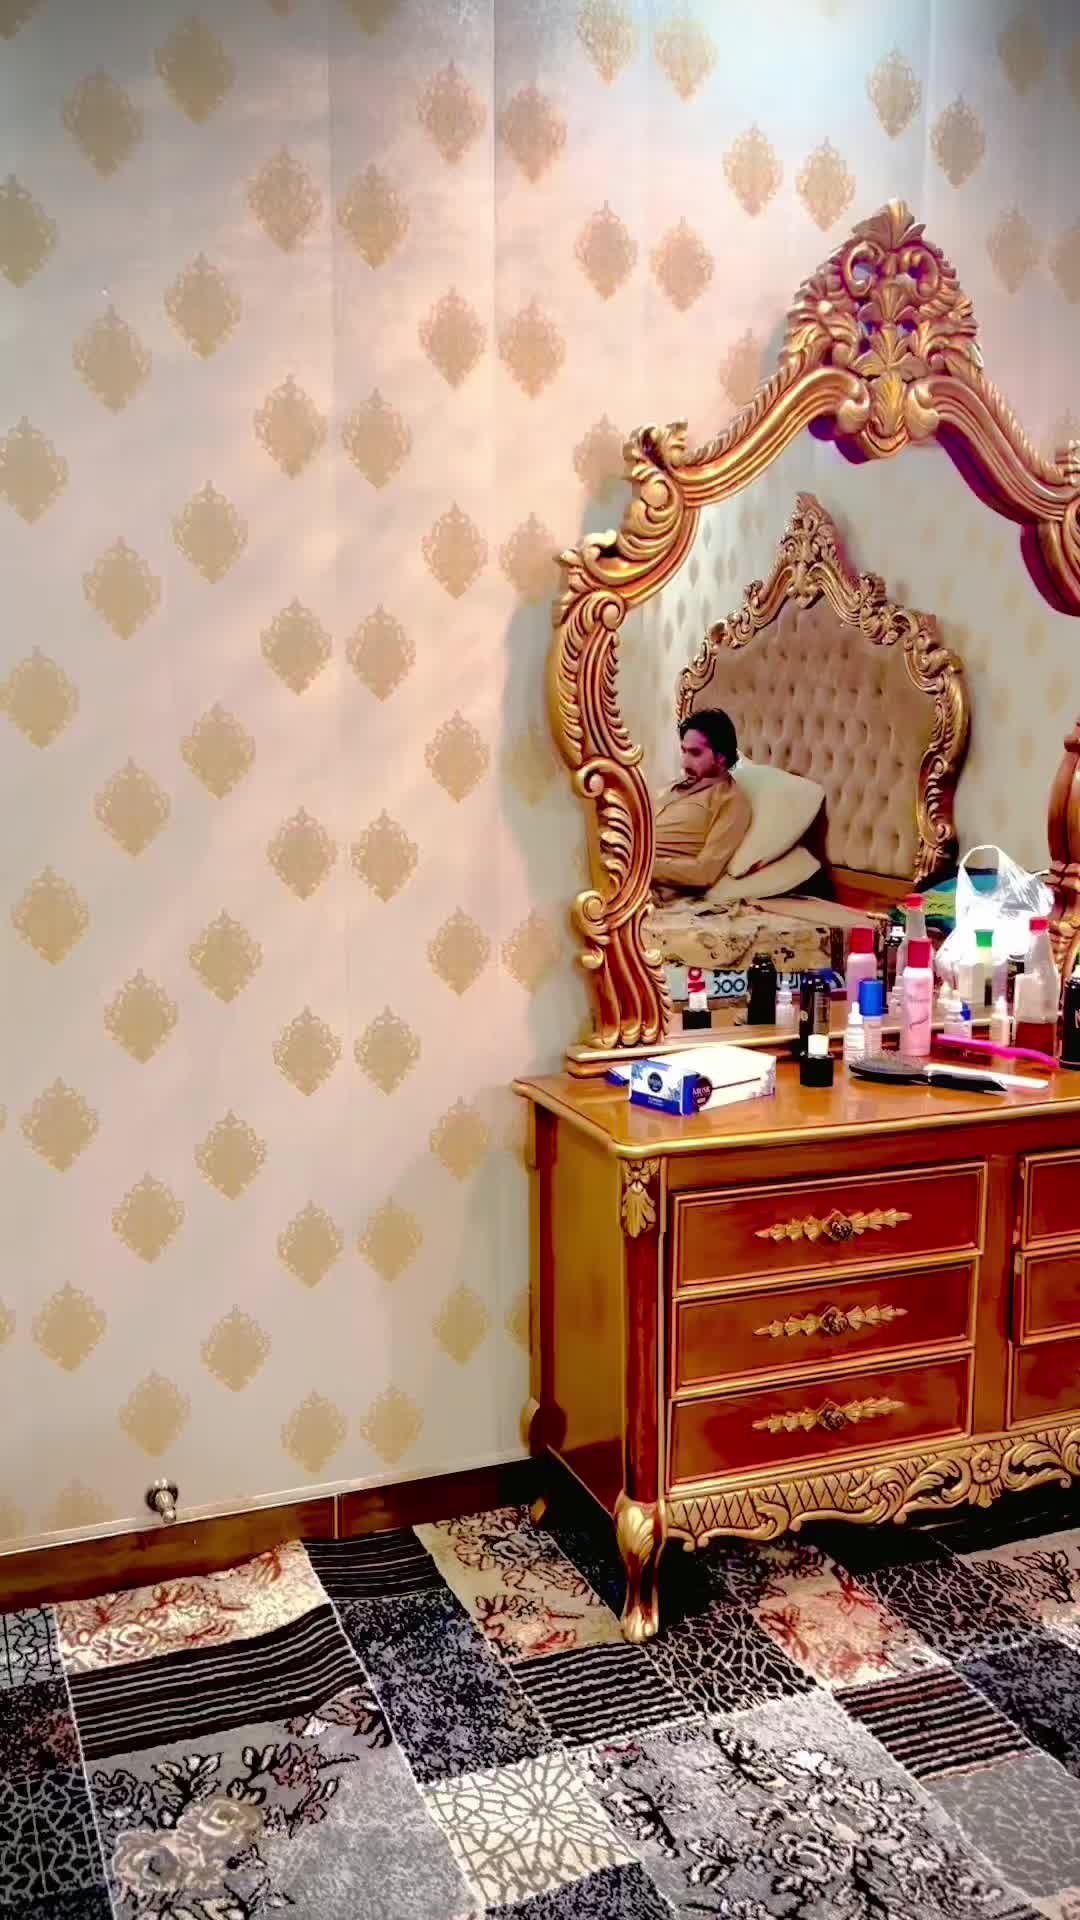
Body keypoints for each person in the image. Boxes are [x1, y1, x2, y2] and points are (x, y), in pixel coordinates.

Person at [652, 708, 752, 902]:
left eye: (695, 753)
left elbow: (704, 872)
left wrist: (640, 864)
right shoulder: (671, 788)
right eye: (684, 751)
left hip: (636, 877)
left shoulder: (730, 801)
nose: (684, 763)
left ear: (721, 756)